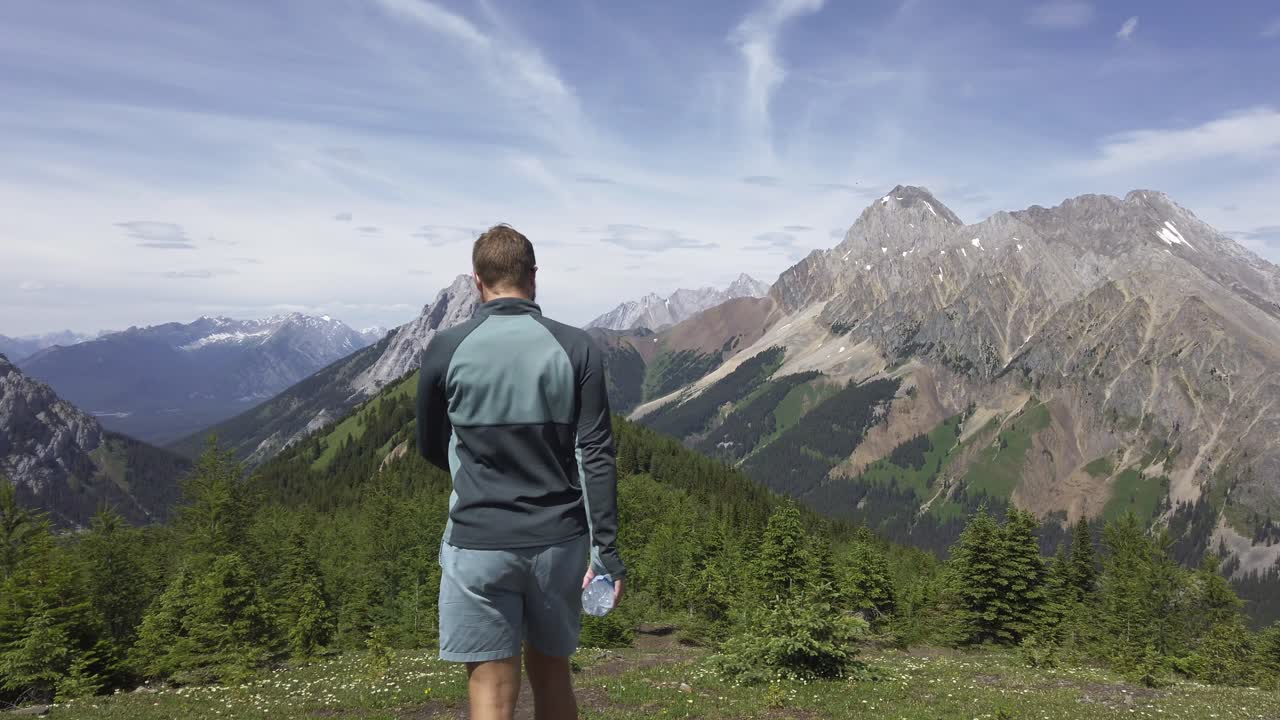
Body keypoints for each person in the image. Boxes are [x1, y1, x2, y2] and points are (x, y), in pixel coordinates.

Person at [416, 224, 626, 720]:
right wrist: (608, 555)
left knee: (490, 692)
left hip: (477, 543)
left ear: (477, 282)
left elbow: (430, 446)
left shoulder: (447, 347)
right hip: (559, 544)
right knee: (553, 678)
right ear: (534, 277)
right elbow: (595, 453)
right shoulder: (577, 347)